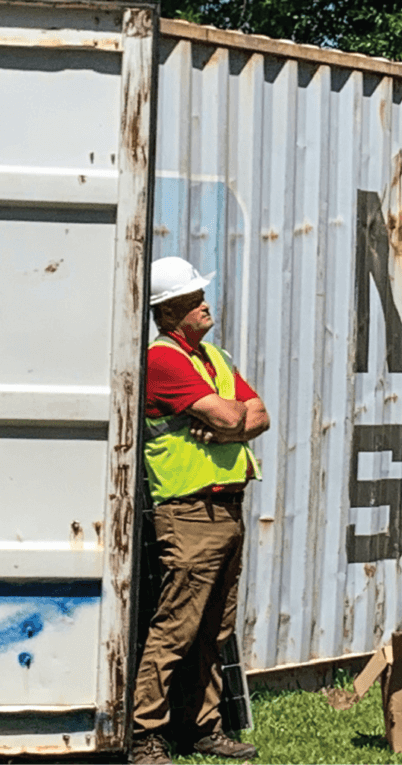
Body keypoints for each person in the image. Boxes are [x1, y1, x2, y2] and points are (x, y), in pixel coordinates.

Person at [130, 257, 270, 765]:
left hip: (226, 509)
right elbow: (237, 413)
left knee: (215, 629)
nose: (204, 303)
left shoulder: (215, 357)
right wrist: (234, 420)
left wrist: (232, 423)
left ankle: (202, 728)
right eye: (193, 299)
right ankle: (144, 735)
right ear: (168, 313)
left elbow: (261, 415)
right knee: (178, 628)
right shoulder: (164, 360)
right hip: (188, 511)